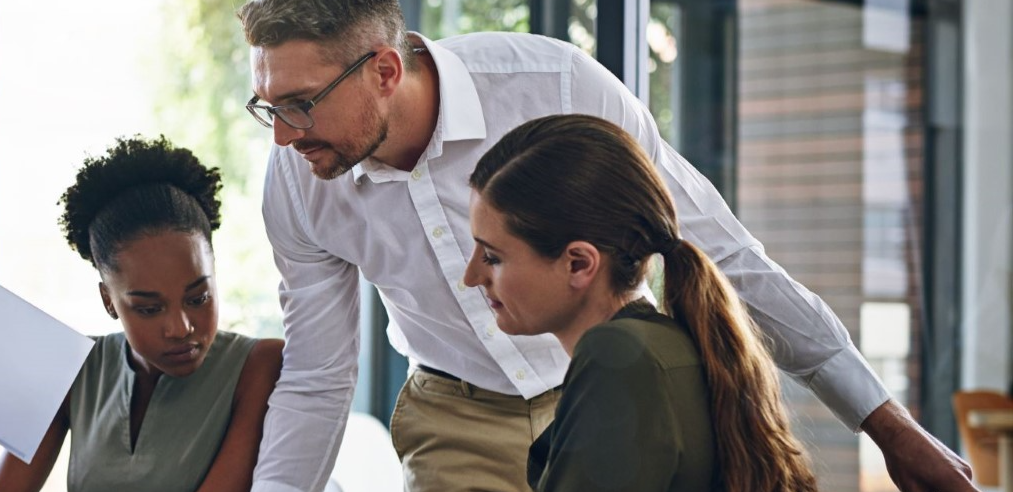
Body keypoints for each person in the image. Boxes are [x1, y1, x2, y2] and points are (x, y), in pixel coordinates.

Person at [237, 1, 973, 491]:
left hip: (610, 393)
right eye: (268, 107)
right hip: (456, 419)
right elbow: (317, 375)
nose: (283, 136)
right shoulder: (298, 178)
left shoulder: (555, 86)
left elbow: (724, 256)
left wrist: (888, 428)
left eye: (301, 104)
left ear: (384, 70)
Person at [463, 114, 817, 491]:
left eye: (492, 257)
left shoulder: (618, 356)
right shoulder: (667, 345)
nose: (471, 277)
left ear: (578, 263)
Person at [0, 136, 284, 492]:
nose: (180, 328)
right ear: (109, 301)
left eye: (198, 298)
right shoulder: (72, 369)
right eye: (149, 308)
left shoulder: (260, 365)